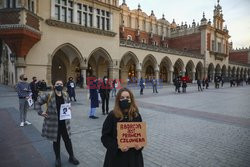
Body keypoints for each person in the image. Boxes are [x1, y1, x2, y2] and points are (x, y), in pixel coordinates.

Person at [35, 80, 79, 167]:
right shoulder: (49, 95)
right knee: (56, 141)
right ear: (54, 85)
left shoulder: (65, 94)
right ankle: (58, 159)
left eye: (61, 84)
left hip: (64, 123)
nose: (59, 85)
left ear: (63, 86)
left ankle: (71, 156)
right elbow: (37, 102)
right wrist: (40, 112)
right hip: (54, 123)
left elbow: (68, 104)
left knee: (68, 140)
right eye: (57, 84)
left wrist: (69, 108)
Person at [101, 88, 144, 167]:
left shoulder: (136, 115)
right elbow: (105, 137)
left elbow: (140, 136)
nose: (125, 100)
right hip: (117, 159)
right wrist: (117, 146)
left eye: (127, 98)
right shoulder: (112, 115)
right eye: (122, 98)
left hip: (133, 159)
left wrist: (140, 146)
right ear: (118, 100)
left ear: (131, 99)